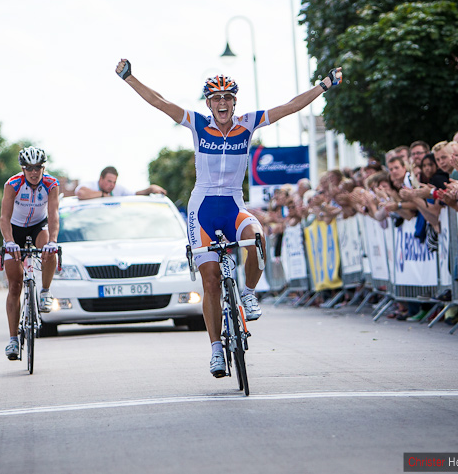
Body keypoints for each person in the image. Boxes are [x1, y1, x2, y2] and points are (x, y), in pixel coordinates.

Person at [115, 58, 342, 377]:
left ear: (235, 102)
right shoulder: (196, 123)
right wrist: (130, 78)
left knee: (257, 238)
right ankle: (216, 350)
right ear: (208, 103)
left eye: (227, 98)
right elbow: (160, 102)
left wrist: (324, 85)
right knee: (210, 279)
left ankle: (248, 294)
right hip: (203, 207)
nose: (222, 103)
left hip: (234, 204)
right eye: (216, 98)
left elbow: (290, 107)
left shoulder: (248, 123)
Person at [0, 146, 61, 360]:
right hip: (14, 229)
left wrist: (53, 241)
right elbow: (4, 218)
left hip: (38, 226)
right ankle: (13, 340)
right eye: (29, 168)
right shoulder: (12, 184)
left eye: (38, 168)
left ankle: (44, 291)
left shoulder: (51, 184)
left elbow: (53, 216)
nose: (34, 173)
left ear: (44, 168)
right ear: (23, 169)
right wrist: (9, 241)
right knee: (15, 286)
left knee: (49, 250)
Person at [75, 166, 167, 199]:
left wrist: (151, 189)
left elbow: (134, 195)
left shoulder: (119, 189)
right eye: (109, 181)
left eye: (114, 182)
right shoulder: (90, 185)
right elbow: (81, 193)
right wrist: (103, 195)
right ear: (101, 179)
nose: (112, 185)